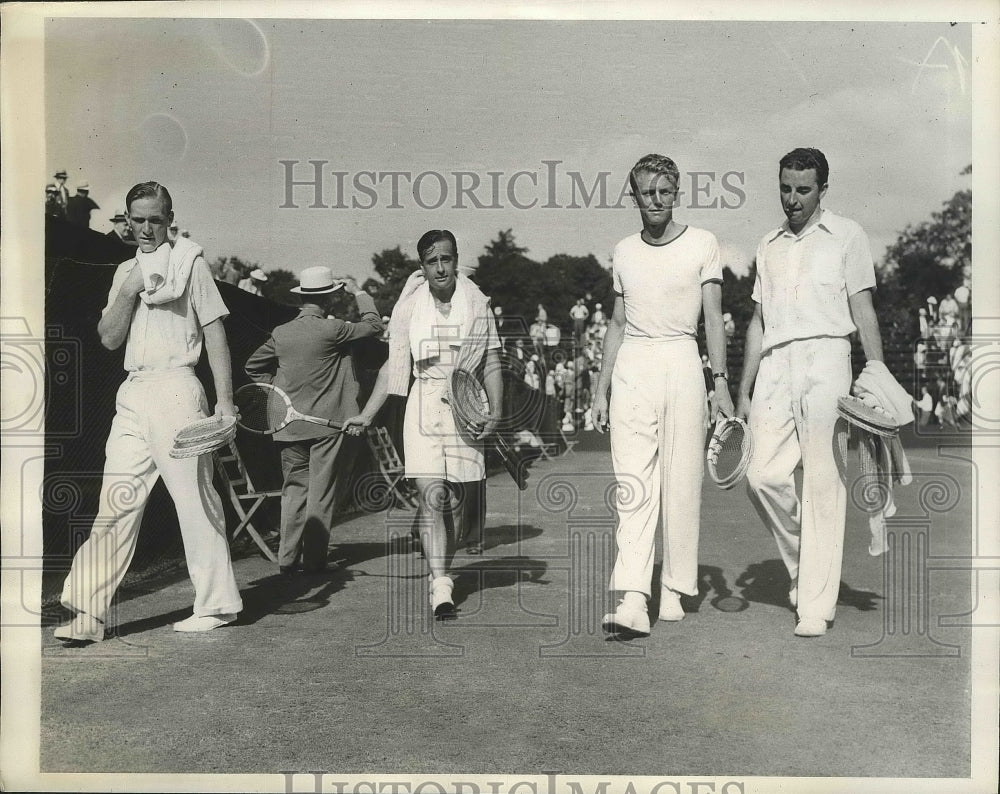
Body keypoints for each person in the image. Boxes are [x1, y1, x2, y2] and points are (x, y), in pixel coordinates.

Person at [53, 182, 243, 643]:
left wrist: (225, 403)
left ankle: (217, 605)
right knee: (115, 502)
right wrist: (130, 290)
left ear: (169, 218)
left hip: (178, 388)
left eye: (154, 220)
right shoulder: (124, 271)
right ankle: (90, 614)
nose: (145, 229)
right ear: (126, 219)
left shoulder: (190, 262)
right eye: (136, 219)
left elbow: (215, 334)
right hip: (133, 393)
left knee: (195, 500)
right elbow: (109, 337)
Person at [736, 147, 886, 638]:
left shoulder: (847, 235)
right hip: (776, 363)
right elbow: (757, 322)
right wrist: (743, 390)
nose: (792, 199)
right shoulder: (769, 243)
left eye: (803, 189)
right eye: (785, 188)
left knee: (823, 481)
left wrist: (877, 370)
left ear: (823, 187)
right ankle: (808, 568)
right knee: (760, 475)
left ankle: (815, 606)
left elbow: (862, 307)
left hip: (828, 357)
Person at [593, 153, 733, 637]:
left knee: (681, 479)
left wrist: (721, 385)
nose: (655, 200)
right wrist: (599, 387)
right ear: (633, 195)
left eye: (664, 191)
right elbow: (615, 322)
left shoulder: (703, 244)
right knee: (633, 481)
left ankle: (674, 585)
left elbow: (713, 319)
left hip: (682, 361)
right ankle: (634, 595)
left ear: (676, 193)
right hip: (633, 362)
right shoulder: (624, 251)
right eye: (645, 192)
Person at [343, 230, 502, 617]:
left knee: (459, 503)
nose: (441, 268)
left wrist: (494, 411)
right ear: (423, 267)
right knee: (432, 495)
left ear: (455, 259)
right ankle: (441, 585)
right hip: (424, 402)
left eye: (447, 259)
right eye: (432, 262)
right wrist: (366, 414)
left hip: (467, 402)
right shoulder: (409, 307)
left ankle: (446, 563)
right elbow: (394, 366)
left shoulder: (478, 304)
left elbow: (492, 361)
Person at [245, 268, 383, 574]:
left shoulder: (281, 333)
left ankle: (287, 560)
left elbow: (253, 367)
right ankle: (316, 562)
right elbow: (373, 324)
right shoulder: (332, 331)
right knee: (320, 492)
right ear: (329, 298)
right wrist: (359, 291)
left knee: (294, 492)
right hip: (325, 426)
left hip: (288, 426)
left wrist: (278, 393)